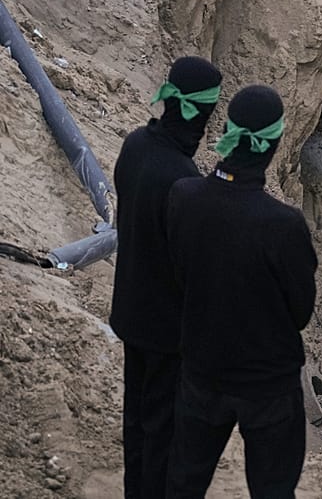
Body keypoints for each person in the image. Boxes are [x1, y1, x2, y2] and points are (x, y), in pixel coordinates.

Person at [164, 85, 317, 498]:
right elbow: (300, 311)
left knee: (183, 481)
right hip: (268, 384)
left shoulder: (184, 195)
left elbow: (179, 275)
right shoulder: (283, 225)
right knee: (272, 488)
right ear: (275, 143)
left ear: (228, 131)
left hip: (201, 369)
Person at [109, 56, 223, 499]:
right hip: (165, 331)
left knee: (136, 420)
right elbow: (192, 266)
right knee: (162, 432)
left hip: (130, 310)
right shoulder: (182, 178)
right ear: (200, 114)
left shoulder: (135, 145)